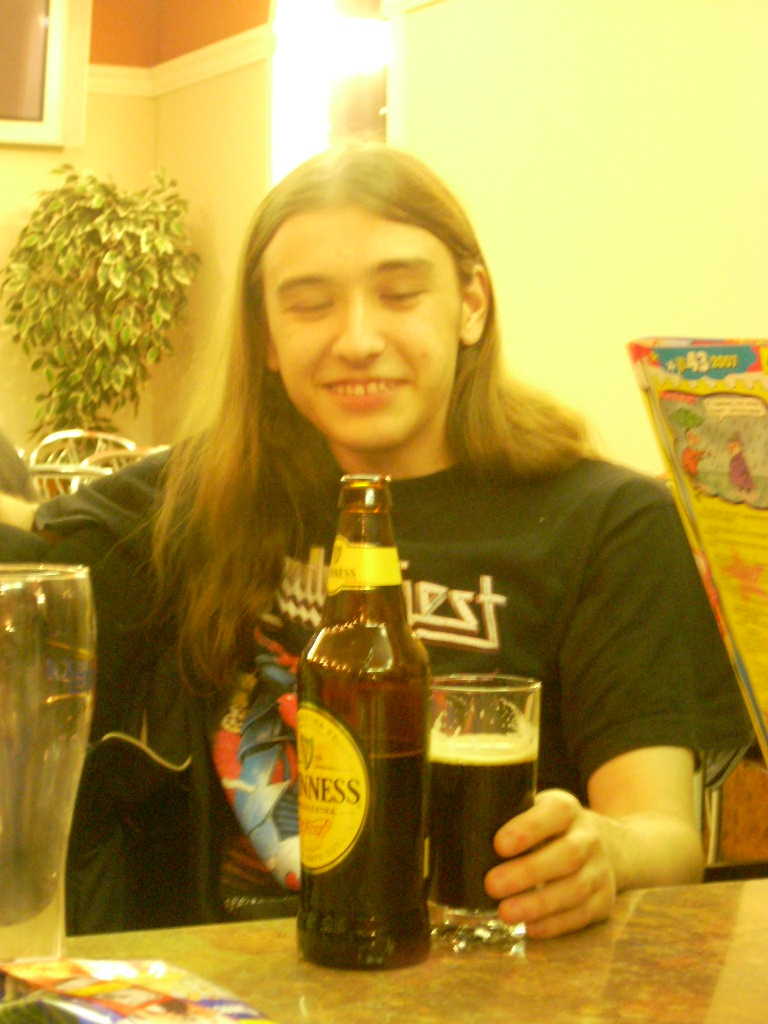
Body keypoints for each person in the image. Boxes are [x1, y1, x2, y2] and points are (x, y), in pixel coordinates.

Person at [0, 144, 752, 939]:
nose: (357, 339)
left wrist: (605, 851)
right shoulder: (211, 492)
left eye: (399, 294)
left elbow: (665, 835)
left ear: (470, 305)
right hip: (240, 973)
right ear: (266, 336)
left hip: (482, 966)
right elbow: (36, 544)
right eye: (309, 304)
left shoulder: (609, 521)